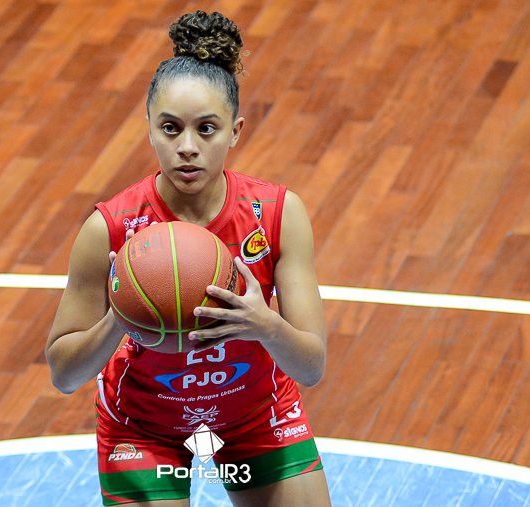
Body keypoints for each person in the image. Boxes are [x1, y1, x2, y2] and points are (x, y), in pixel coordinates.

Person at [46, 10, 331, 507]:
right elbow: (64, 375)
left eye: (207, 129)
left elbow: (310, 367)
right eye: (171, 128)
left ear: (235, 131)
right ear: (149, 129)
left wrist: (265, 325)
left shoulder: (278, 214)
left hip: (256, 416)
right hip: (142, 427)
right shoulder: (108, 229)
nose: (187, 148)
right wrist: (118, 320)